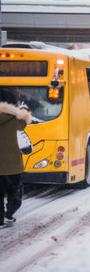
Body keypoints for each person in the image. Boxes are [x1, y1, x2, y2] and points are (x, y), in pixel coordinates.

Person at [0, 88, 31, 227]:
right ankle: (9, 214)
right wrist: (23, 110)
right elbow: (25, 121)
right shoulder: (15, 120)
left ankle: (0, 219)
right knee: (15, 193)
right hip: (13, 166)